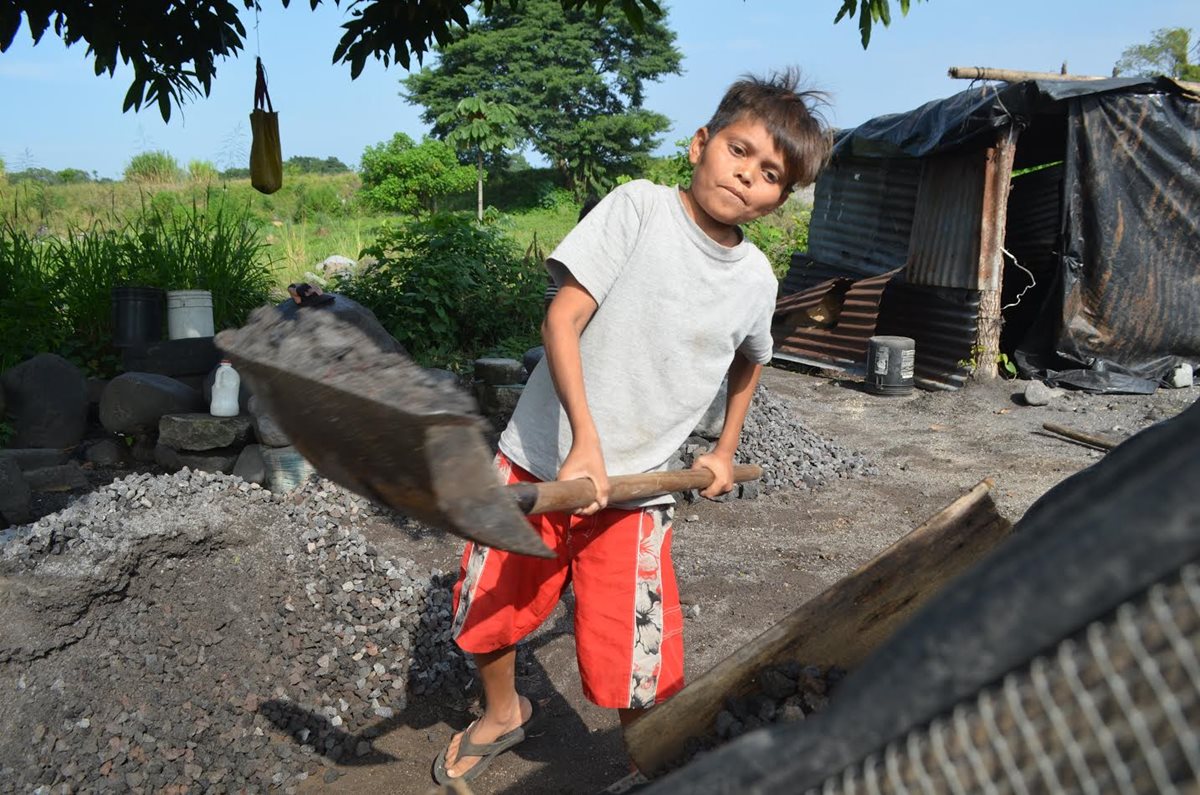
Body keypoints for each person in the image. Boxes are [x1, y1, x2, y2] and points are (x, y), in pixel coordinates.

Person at [433, 68, 831, 785]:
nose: (747, 177)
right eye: (738, 151)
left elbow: (752, 361)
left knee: (634, 650)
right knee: (490, 606)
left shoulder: (756, 280)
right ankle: (502, 712)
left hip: (637, 489)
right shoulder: (640, 209)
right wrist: (583, 440)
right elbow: (563, 317)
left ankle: (652, 764)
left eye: (770, 173)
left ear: (780, 198)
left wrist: (725, 446)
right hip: (540, 463)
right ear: (699, 143)